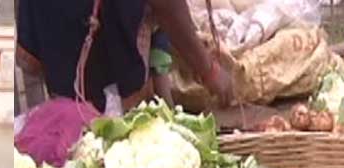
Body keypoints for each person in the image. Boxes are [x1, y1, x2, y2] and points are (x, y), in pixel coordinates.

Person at [16, 0, 234, 113]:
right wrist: (209, 71)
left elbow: (159, 27)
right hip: (89, 39)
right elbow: (166, 5)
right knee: (99, 136)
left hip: (63, 39)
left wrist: (166, 105)